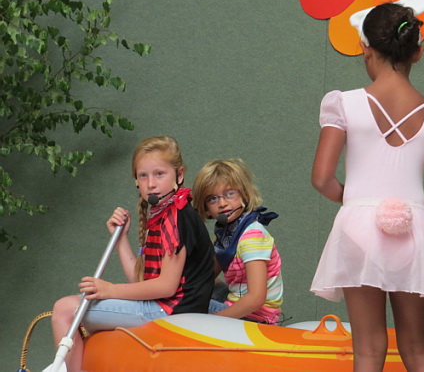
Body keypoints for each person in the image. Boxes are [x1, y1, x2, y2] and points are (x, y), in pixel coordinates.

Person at [310, 0, 424, 372]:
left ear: (366, 50)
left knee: (368, 348)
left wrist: (359, 203)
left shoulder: (343, 104)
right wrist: (411, 207)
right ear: (417, 53)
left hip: (357, 229)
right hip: (412, 230)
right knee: (418, 349)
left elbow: (322, 178)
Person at [51, 136, 215, 372]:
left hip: (172, 310)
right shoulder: (162, 213)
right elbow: (140, 282)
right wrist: (121, 239)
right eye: (143, 176)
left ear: (179, 175)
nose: (151, 184)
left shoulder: (177, 214)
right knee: (76, 311)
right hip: (163, 306)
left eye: (159, 174)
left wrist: (110, 290)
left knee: (64, 310)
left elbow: (166, 287)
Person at [192, 158, 283, 325]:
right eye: (213, 199)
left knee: (180, 305)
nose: (222, 204)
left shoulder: (251, 236)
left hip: (256, 318)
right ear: (206, 208)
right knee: (190, 290)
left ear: (245, 194)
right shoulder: (226, 235)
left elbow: (256, 298)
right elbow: (205, 276)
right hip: (235, 300)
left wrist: (212, 322)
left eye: (230, 193)